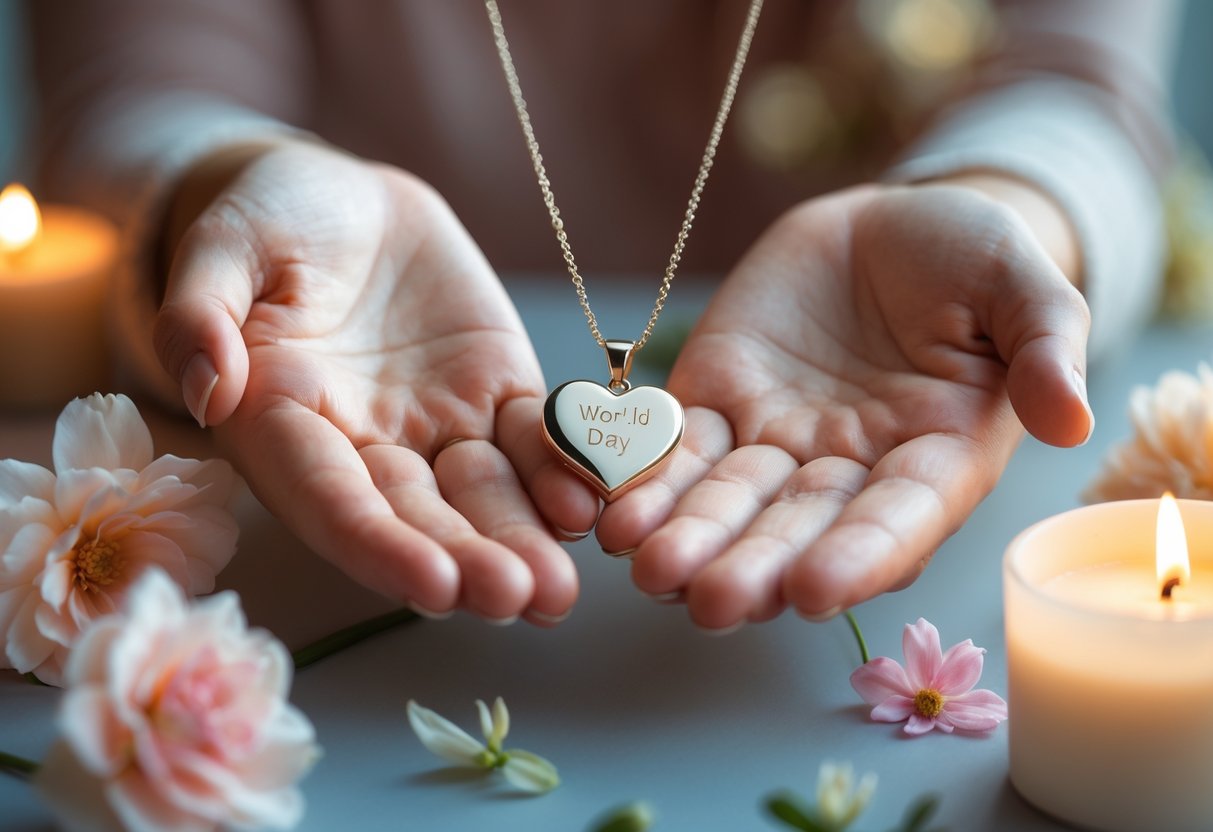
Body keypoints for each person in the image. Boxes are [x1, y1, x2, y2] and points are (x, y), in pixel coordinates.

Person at [25, 1, 1176, 631]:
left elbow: (1074, 85)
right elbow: (128, 100)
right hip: (316, 451)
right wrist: (214, 185)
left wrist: (1010, 203)